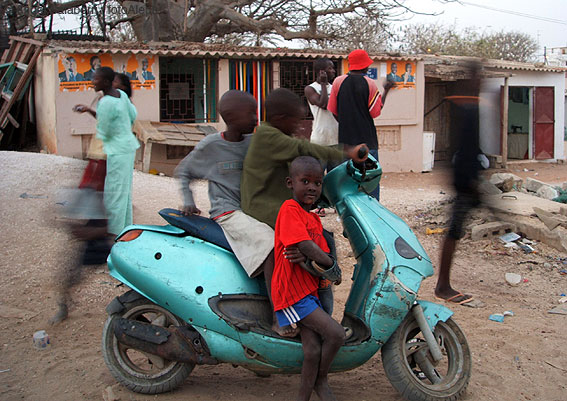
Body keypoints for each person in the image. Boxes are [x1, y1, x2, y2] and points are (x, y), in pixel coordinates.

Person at [241, 88, 367, 230]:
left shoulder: (279, 136)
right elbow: (304, 148)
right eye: (295, 121)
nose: (298, 126)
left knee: (320, 233)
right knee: (312, 239)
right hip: (263, 210)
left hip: (274, 205)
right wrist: (347, 151)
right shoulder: (268, 136)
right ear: (280, 119)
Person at [273, 156, 345, 401]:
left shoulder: (313, 218)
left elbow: (319, 253)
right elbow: (309, 247)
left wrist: (317, 257)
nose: (312, 187)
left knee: (312, 351)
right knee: (336, 334)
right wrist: (328, 262)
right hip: (292, 294)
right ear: (290, 183)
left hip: (308, 292)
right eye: (305, 181)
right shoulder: (289, 209)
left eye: (317, 182)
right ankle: (321, 380)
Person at [435, 61, 484, 308]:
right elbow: (462, 149)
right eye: (479, 76)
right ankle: (443, 285)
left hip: (466, 178)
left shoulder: (470, 107)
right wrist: (469, 182)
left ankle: (444, 283)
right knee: (454, 230)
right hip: (465, 180)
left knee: (455, 230)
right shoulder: (468, 109)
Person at [73, 67, 139, 236]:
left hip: (116, 150)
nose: (93, 82)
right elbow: (132, 115)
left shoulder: (105, 102)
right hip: (128, 147)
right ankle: (126, 229)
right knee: (124, 192)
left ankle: (114, 234)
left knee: (114, 194)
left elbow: (104, 131)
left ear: (106, 82)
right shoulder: (122, 96)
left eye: (96, 79)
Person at [327, 49, 393, 200]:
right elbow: (375, 112)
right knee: (370, 177)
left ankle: (347, 209)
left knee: (347, 177)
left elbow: (333, 110)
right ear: (365, 66)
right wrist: (386, 91)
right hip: (367, 140)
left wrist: (345, 123)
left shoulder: (338, 82)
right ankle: (372, 209)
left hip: (346, 141)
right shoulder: (369, 84)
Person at [304, 58, 339, 217]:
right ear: (321, 71)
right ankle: (318, 205)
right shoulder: (311, 89)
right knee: (318, 176)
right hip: (319, 140)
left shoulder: (335, 88)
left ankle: (335, 205)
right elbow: (323, 104)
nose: (334, 71)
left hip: (336, 138)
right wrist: (324, 85)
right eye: (330, 69)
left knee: (336, 175)